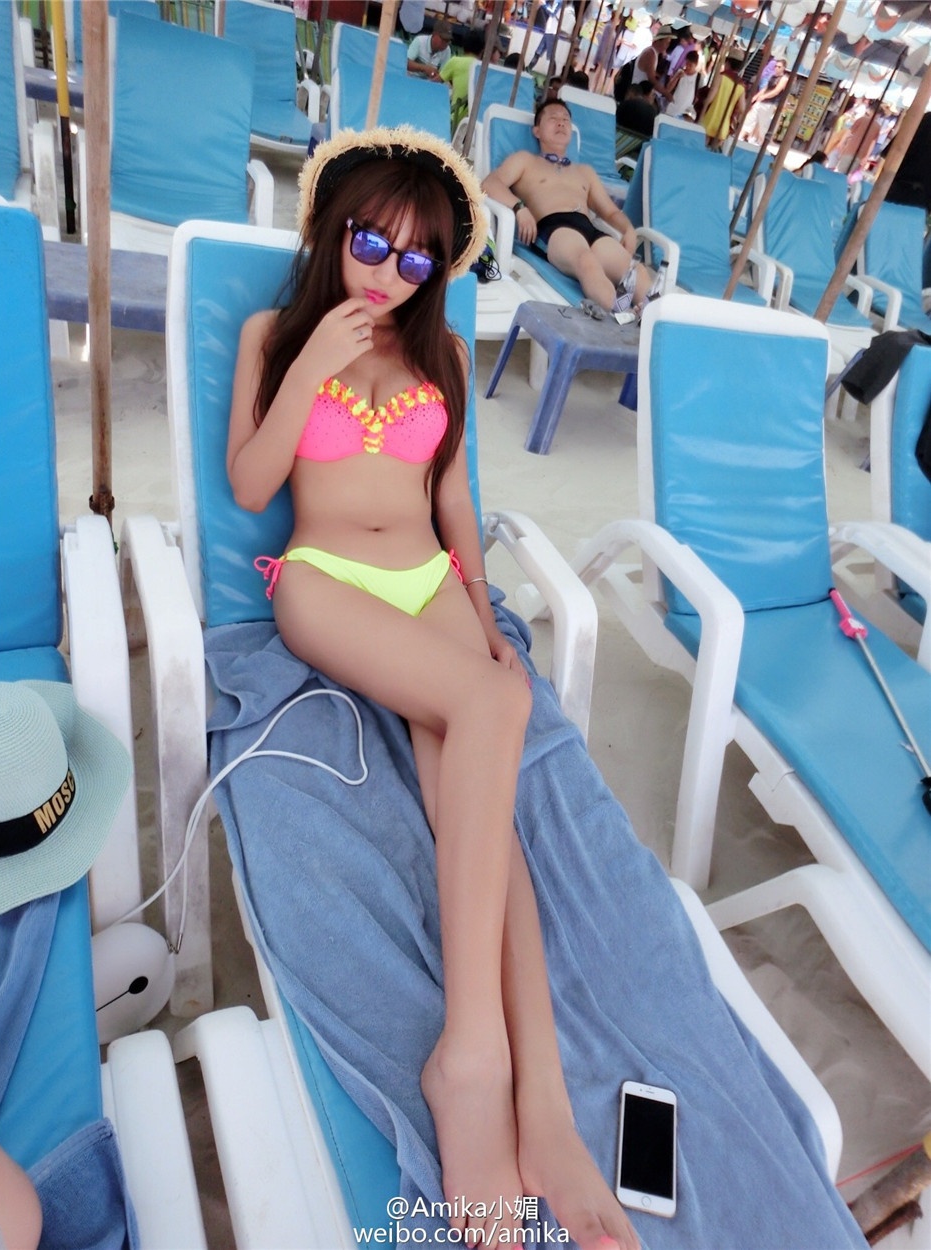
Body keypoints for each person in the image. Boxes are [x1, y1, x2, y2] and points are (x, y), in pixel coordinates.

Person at [227, 124, 639, 1250]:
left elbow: (452, 498)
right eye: (371, 242)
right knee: (496, 715)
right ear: (332, 228)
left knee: (480, 794)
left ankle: (541, 1103)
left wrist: (482, 605)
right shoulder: (275, 333)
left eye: (416, 258)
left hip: (427, 582)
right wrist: (311, 366)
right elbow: (252, 482)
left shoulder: (441, 352)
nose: (387, 273)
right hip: (323, 581)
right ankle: (474, 1059)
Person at [482, 99, 654, 316]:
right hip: (553, 227)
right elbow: (490, 183)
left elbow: (610, 211)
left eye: (565, 119)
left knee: (635, 270)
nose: (561, 123)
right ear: (537, 131)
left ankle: (653, 320)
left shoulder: (584, 172)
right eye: (553, 118)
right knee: (586, 261)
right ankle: (623, 317)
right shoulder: (525, 161)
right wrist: (519, 208)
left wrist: (628, 229)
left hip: (590, 230)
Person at [439, 26, 486, 132]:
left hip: (454, 119)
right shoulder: (484, 69)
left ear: (463, 46)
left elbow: (435, 83)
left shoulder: (455, 62)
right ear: (482, 50)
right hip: (474, 126)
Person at [699, 53, 747, 149]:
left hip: (710, 118)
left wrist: (703, 104)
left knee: (701, 146)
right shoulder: (741, 85)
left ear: (728, 63)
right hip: (724, 124)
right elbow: (742, 108)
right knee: (715, 150)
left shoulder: (721, 77)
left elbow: (710, 97)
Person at [739, 57, 789, 145]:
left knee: (763, 125)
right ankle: (741, 136)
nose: (776, 68)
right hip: (762, 102)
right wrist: (756, 97)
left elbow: (777, 91)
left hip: (770, 104)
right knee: (750, 119)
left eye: (779, 67)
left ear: (784, 68)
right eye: (776, 66)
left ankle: (760, 142)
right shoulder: (772, 76)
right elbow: (765, 89)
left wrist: (764, 96)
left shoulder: (784, 79)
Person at [663, 48, 700, 119]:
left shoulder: (699, 78)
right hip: (672, 109)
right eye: (687, 63)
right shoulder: (680, 72)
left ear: (696, 65)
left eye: (690, 65)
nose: (688, 67)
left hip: (685, 114)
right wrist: (677, 77)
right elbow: (668, 89)